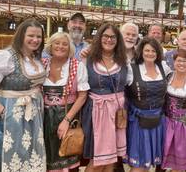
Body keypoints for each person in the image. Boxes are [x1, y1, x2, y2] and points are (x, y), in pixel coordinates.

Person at [0, 19, 47, 171]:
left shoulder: (36, 58)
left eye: (39, 37)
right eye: (31, 35)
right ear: (21, 35)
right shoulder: (6, 56)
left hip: (32, 118)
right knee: (5, 157)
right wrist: (3, 113)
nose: (35, 40)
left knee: (28, 156)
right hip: (8, 119)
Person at [81, 23, 128, 172]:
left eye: (113, 37)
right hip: (96, 112)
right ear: (99, 38)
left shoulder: (124, 60)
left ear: (118, 40)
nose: (109, 40)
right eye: (105, 36)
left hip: (117, 112)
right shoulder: (87, 59)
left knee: (111, 160)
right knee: (97, 160)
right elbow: (80, 86)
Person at [42, 32, 89, 171]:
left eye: (65, 44)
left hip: (67, 116)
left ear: (70, 48)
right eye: (57, 43)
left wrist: (66, 120)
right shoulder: (42, 64)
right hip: (44, 118)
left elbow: (82, 96)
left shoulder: (76, 65)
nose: (60, 47)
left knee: (68, 158)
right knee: (46, 159)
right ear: (51, 46)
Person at [126, 37, 171, 171]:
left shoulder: (163, 67)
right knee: (139, 164)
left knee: (149, 162)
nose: (150, 53)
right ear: (141, 51)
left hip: (158, 120)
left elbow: (176, 80)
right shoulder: (132, 68)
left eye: (153, 51)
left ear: (158, 53)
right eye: (147, 50)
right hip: (139, 121)